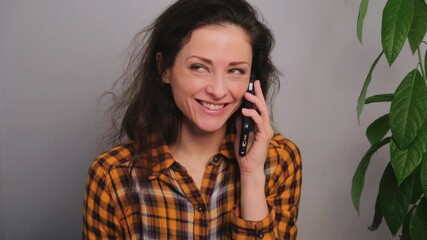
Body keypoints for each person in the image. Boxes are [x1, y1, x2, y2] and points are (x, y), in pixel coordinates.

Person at [83, 0, 301, 239]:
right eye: (199, 67)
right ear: (164, 69)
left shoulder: (279, 160)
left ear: (252, 80)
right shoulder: (113, 176)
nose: (218, 90)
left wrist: (251, 175)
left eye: (235, 70)